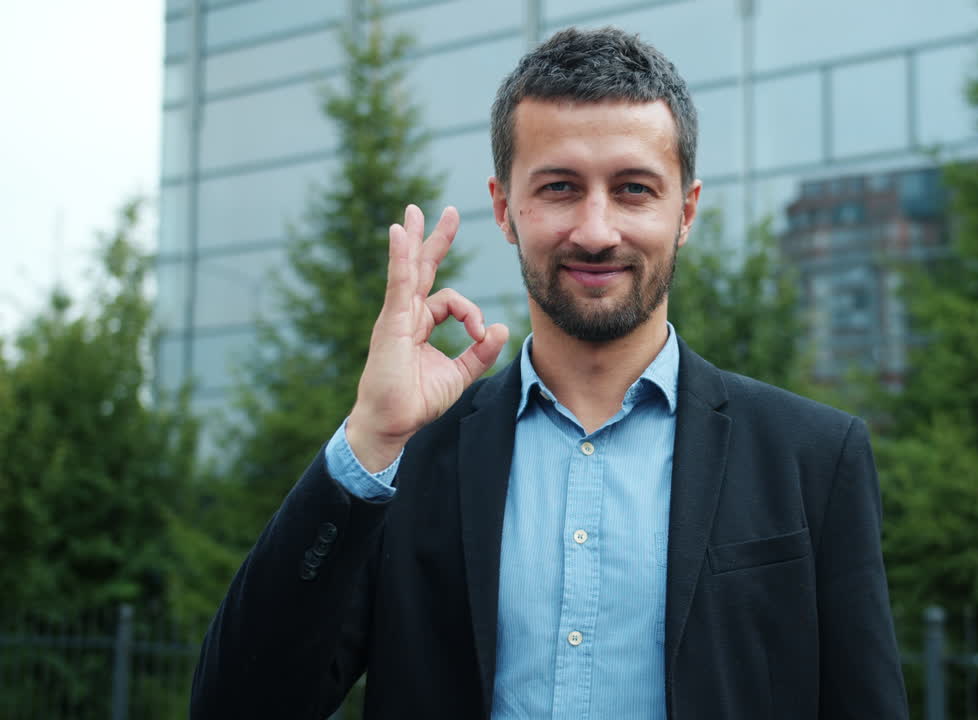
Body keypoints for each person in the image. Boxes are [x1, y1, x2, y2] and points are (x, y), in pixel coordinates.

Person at [191, 26, 906, 720]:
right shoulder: (406, 460)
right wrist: (370, 438)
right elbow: (237, 706)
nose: (596, 231)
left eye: (633, 189)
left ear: (685, 211)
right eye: (561, 187)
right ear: (505, 209)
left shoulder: (813, 459)